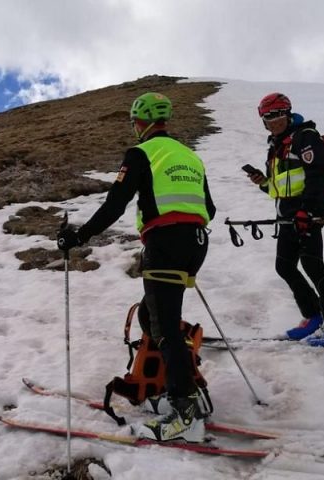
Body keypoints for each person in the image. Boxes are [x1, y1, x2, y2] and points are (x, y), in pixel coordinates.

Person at [57, 92, 216, 443]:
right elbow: (211, 209)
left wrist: (79, 236)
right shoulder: (190, 156)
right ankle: (175, 384)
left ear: (140, 122)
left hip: (166, 244)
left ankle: (186, 412)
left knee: (164, 328)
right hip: (197, 243)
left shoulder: (142, 153)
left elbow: (116, 203)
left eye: (134, 122)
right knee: (153, 316)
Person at [246, 93, 324, 346]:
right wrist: (263, 182)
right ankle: (314, 316)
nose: (273, 121)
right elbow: (281, 188)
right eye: (267, 117)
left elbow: (318, 178)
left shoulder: (305, 138)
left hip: (307, 214)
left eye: (277, 115)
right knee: (284, 266)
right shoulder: (277, 145)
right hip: (287, 215)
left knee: (313, 265)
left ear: (288, 113)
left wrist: (309, 212)